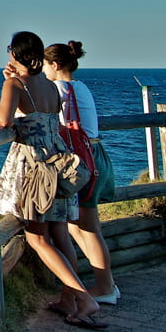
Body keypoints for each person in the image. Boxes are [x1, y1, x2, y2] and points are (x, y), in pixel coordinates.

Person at [0, 31, 106, 329]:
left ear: (16, 54)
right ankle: (69, 300)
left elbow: (4, 121)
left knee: (37, 237)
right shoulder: (52, 87)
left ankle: (85, 298)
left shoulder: (14, 84)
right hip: (59, 158)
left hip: (34, 167)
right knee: (60, 234)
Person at [44, 40, 119, 305]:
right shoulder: (80, 86)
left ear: (54, 65)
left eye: (44, 65)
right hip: (96, 156)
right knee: (79, 226)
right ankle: (104, 283)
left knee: (88, 228)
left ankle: (105, 287)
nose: (43, 71)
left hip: (82, 163)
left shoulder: (58, 88)